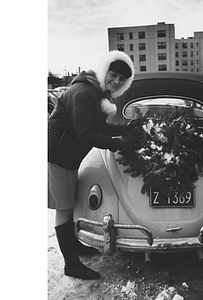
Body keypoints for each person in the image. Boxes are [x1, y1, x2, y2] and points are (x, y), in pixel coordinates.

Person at [48, 50, 140, 280]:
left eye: (122, 79)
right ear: (104, 69)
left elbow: (99, 126)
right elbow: (86, 133)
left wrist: (124, 129)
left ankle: (75, 248)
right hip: (59, 156)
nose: (116, 81)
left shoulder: (96, 92)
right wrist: (117, 144)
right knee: (64, 208)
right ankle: (71, 263)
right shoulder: (82, 92)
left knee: (68, 205)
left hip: (69, 156)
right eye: (114, 74)